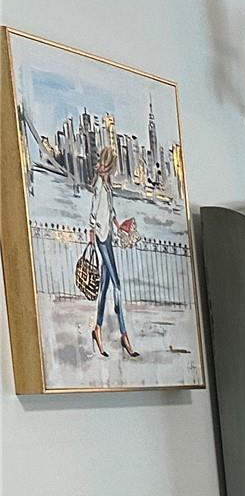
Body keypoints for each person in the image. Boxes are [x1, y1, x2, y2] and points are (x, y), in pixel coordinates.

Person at [86, 147, 139, 359]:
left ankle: (97, 329)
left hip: (108, 233)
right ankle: (124, 335)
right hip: (101, 236)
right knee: (117, 284)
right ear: (109, 165)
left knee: (105, 287)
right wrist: (91, 231)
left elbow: (109, 209)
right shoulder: (100, 184)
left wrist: (118, 225)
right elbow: (94, 210)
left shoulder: (106, 184)